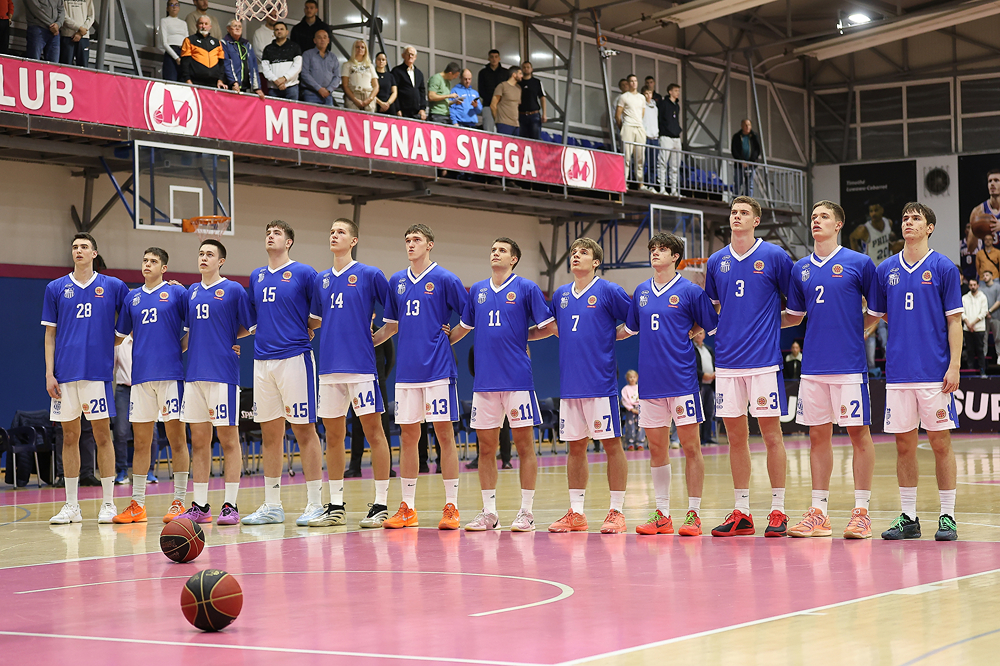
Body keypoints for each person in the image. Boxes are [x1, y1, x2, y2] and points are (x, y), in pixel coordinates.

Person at [782, 200, 880, 539]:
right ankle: (819, 513)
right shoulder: (800, 269)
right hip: (813, 367)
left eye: (824, 216)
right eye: (813, 216)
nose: (816, 221)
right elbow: (794, 316)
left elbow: (877, 310)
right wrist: (751, 323)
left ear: (839, 224)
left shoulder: (859, 262)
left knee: (858, 435)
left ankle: (862, 513)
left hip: (849, 366)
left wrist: (858, 329)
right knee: (817, 437)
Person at [869, 202, 963, 542]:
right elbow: (880, 315)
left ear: (930, 228)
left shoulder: (943, 267)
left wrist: (954, 365)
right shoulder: (885, 269)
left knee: (940, 444)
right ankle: (909, 517)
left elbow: (955, 321)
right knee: (904, 446)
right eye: (905, 218)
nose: (908, 222)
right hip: (898, 373)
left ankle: (948, 516)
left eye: (916, 218)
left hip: (934, 373)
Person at [448, 238, 554, 532]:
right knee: (486, 448)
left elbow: (548, 327)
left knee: (524, 446)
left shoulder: (527, 288)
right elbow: (464, 327)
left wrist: (522, 335)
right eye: (493, 249)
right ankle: (489, 512)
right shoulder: (477, 290)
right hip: (485, 382)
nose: (495, 253)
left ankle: (527, 512)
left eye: (502, 250)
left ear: (514, 259)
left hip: (517, 380)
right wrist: (440, 341)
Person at [619, 232, 719, 537]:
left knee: (691, 447)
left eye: (662, 249)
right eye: (653, 248)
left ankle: (694, 514)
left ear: (676, 256)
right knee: (657, 450)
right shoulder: (641, 291)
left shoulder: (690, 291)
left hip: (682, 381)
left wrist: (691, 330)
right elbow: (629, 329)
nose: (655, 253)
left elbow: (710, 322)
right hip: (651, 384)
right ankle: (662, 514)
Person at [705, 196, 794, 537]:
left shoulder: (774, 256)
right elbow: (713, 309)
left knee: (772, 436)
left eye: (744, 213)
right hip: (728, 363)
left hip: (763, 362)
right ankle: (742, 511)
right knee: (735, 439)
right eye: (734, 212)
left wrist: (768, 324)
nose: (737, 217)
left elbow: (796, 309)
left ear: (756, 221)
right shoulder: (716, 261)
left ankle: (778, 509)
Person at [535, 238, 632, 534]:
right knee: (575, 448)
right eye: (573, 252)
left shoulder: (609, 290)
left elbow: (634, 320)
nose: (576, 256)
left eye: (584, 252)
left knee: (612, 445)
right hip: (570, 386)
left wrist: (613, 335)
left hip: (600, 384)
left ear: (596, 262)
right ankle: (576, 513)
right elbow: (553, 327)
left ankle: (617, 511)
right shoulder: (561, 295)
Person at [377, 224, 468, 530]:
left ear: (430, 245)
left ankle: (452, 506)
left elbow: (469, 315)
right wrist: (368, 342)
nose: (411, 244)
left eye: (417, 239)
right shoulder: (397, 281)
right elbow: (391, 326)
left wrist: (449, 338)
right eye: (407, 240)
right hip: (407, 372)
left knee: (444, 435)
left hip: (438, 370)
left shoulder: (445, 278)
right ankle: (408, 508)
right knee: (408, 437)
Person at [307, 219, 394, 529]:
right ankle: (335, 505)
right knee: (333, 436)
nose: (334, 235)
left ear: (354, 240)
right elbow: (314, 320)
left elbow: (395, 315)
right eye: (331, 231)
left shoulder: (370, 274)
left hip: (361, 368)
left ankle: (381, 504)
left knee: (374, 433)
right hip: (329, 369)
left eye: (341, 232)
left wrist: (377, 338)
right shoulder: (321, 279)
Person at [242, 222, 325, 527]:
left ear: (289, 241)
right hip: (262, 361)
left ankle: (315, 503)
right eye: (268, 232)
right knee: (270, 434)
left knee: (304, 430)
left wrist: (306, 328)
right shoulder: (256, 276)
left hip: (294, 358)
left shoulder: (304, 272)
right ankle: (272, 505)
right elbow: (253, 320)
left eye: (277, 232)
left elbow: (319, 314)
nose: (271, 235)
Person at [44, 234, 128, 525]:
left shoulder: (113, 286)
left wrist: (114, 341)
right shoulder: (55, 288)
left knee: (102, 436)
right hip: (65, 375)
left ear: (94, 253)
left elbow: (138, 306)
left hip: (97, 374)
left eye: (84, 247)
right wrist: (49, 373)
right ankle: (71, 506)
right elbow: (50, 334)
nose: (78, 251)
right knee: (69, 437)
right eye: (75, 247)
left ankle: (108, 503)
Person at [175, 240, 254, 526]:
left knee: (228, 439)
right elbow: (189, 332)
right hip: (194, 375)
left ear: (221, 261)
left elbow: (250, 325)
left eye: (210, 254)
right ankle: (200, 506)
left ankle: (230, 505)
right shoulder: (191, 293)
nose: (204, 258)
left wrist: (230, 339)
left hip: (223, 374)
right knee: (199, 441)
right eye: (201, 253)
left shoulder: (233, 289)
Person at [111, 248, 192, 524]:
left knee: (177, 440)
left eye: (153, 261)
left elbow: (196, 327)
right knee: (141, 442)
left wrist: (178, 348)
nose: (147, 264)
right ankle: (137, 504)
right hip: (140, 379)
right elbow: (118, 336)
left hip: (170, 376)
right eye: (145, 260)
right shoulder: (131, 297)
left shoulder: (177, 293)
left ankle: (179, 501)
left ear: (164, 268)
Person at [616, 74, 648, 190]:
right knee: (626, 157)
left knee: (640, 157)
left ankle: (640, 183)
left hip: (639, 127)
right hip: (628, 127)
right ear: (628, 83)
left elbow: (642, 113)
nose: (634, 83)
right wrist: (623, 128)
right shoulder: (624, 97)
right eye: (632, 81)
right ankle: (624, 182)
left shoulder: (641, 98)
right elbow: (617, 115)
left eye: (635, 81)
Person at [221, 20, 264, 100]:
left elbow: (253, 66)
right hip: (230, 86)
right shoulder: (224, 43)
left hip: (245, 87)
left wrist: (257, 87)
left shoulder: (247, 45)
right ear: (228, 29)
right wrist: (233, 82)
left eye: (239, 26)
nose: (237, 28)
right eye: (234, 26)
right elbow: (227, 64)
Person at [180, 16, 227, 90]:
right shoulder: (189, 40)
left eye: (206, 24)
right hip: (195, 83)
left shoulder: (217, 43)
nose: (203, 26)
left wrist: (220, 80)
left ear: (210, 26)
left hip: (214, 84)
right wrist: (187, 79)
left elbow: (221, 64)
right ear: (196, 25)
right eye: (201, 23)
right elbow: (185, 62)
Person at [111, 335, 134, 485]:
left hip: (143, 388)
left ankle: (148, 471)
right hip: (123, 390)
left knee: (149, 431)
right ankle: (122, 471)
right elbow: (111, 367)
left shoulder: (146, 338)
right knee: (120, 431)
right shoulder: (120, 342)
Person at [261, 22, 302, 100]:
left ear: (287, 32)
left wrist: (284, 78)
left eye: (281, 29)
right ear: (274, 33)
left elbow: (297, 67)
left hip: (291, 87)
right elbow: (265, 68)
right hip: (273, 88)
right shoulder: (268, 49)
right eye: (277, 30)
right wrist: (276, 81)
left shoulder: (295, 47)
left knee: (292, 108)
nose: (279, 31)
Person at [965, 168, 1000, 254]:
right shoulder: (978, 211)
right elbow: (970, 248)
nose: (992, 184)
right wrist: (976, 230)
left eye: (996, 180)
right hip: (989, 259)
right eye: (990, 181)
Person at [849, 203, 896, 267]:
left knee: (901, 244)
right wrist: (857, 258)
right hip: (871, 267)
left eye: (876, 210)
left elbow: (885, 242)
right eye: (871, 211)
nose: (873, 214)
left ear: (882, 210)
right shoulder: (864, 229)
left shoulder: (888, 222)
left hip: (885, 264)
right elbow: (852, 237)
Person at [300, 29, 339, 106]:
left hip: (328, 95)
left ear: (328, 40)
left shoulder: (333, 57)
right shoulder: (307, 54)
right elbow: (304, 74)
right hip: (311, 94)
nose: (322, 40)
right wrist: (319, 89)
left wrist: (328, 90)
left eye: (325, 37)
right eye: (319, 37)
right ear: (314, 40)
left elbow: (337, 77)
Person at [657, 83, 682, 196]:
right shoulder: (663, 104)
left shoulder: (677, 106)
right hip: (666, 136)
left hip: (676, 137)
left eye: (678, 91)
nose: (678, 93)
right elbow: (660, 119)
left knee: (675, 165)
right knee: (663, 163)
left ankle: (673, 190)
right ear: (670, 92)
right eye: (676, 90)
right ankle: (662, 187)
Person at [341, 39, 379, 111]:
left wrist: (370, 99)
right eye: (357, 47)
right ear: (354, 49)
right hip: (354, 95)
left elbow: (376, 86)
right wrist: (355, 100)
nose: (360, 49)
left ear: (365, 50)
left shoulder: (370, 66)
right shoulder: (347, 65)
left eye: (362, 47)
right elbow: (345, 85)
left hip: (368, 95)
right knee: (353, 117)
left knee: (369, 117)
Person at [693, 330, 716, 444]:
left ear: (704, 335)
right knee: (698, 412)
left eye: (701, 333)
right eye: (697, 333)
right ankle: (697, 438)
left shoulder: (708, 349)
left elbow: (714, 363)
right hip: (698, 384)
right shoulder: (690, 349)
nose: (698, 335)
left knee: (708, 411)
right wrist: (702, 375)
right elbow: (691, 366)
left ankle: (707, 437)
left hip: (710, 385)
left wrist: (714, 373)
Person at [962, 277, 989, 377]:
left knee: (980, 351)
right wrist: (968, 324)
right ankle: (970, 371)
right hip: (967, 328)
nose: (973, 287)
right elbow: (962, 312)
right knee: (969, 351)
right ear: (969, 286)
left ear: (978, 285)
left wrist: (972, 323)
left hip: (979, 328)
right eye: (971, 285)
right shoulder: (964, 298)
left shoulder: (983, 297)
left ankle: (982, 371)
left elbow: (984, 312)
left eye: (974, 285)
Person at [392, 46, 426, 120]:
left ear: (415, 57)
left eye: (412, 55)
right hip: (402, 111)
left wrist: (422, 109)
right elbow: (394, 91)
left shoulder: (419, 73)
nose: (410, 56)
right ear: (403, 55)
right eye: (408, 54)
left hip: (416, 112)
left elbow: (422, 92)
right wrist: (397, 109)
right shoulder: (397, 71)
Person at [731, 119, 762, 197]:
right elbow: (734, 150)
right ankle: (736, 199)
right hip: (739, 165)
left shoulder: (754, 136)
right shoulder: (737, 137)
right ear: (742, 126)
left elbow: (757, 150)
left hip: (751, 165)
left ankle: (748, 201)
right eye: (745, 125)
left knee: (749, 184)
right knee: (738, 183)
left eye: (749, 125)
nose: (747, 127)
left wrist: (752, 161)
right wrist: (741, 161)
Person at [158, 1, 188, 81]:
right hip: (171, 52)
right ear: (167, 8)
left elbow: (187, 41)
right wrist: (176, 58)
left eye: (176, 5)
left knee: (183, 81)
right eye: (171, 5)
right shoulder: (164, 21)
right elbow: (164, 43)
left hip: (183, 52)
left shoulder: (183, 23)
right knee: (171, 80)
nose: (174, 7)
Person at [477, 49, 506, 132]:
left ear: (499, 58)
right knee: (488, 129)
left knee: (502, 129)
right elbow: (481, 90)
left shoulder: (505, 73)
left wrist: (499, 101)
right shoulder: (483, 73)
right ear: (488, 58)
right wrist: (492, 101)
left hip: (502, 106)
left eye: (496, 57)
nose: (494, 59)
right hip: (487, 105)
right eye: (492, 57)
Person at [59, 0, 94, 67]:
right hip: (67, 35)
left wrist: (81, 32)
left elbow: (91, 16)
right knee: (65, 65)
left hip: (84, 36)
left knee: (83, 66)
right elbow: (63, 15)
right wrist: (79, 28)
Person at [491, 65, 522, 136]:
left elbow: (517, 105)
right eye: (520, 73)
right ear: (514, 74)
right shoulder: (502, 86)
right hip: (504, 123)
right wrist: (497, 120)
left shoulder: (518, 88)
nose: (521, 76)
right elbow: (493, 105)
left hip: (516, 124)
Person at [517, 61, 546, 140]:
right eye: (524, 67)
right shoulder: (518, 83)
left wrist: (544, 114)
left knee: (535, 140)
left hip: (534, 114)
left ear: (531, 69)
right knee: (522, 140)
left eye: (528, 67)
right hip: (521, 114)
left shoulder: (537, 82)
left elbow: (542, 97)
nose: (526, 69)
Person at [980, 269, 1000, 363]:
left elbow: (998, 301)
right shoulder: (981, 289)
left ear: (992, 276)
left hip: (995, 316)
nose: (985, 277)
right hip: (984, 317)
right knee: (984, 338)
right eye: (984, 276)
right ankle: (983, 356)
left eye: (987, 275)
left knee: (998, 337)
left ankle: (999, 355)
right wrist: (985, 313)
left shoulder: (997, 287)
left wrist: (990, 311)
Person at [642, 89, 659, 190]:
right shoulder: (641, 105)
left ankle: (651, 184)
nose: (648, 95)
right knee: (644, 162)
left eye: (650, 93)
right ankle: (643, 183)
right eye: (646, 93)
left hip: (654, 137)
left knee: (653, 163)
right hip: (645, 137)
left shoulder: (655, 107)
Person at [621, 370, 640, 450]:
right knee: (630, 426)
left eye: (634, 377)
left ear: (637, 378)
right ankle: (630, 443)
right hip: (630, 410)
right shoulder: (625, 389)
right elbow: (624, 400)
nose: (632, 379)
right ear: (627, 378)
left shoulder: (640, 387)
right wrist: (631, 408)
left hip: (639, 409)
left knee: (640, 426)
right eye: (630, 377)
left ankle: (640, 443)